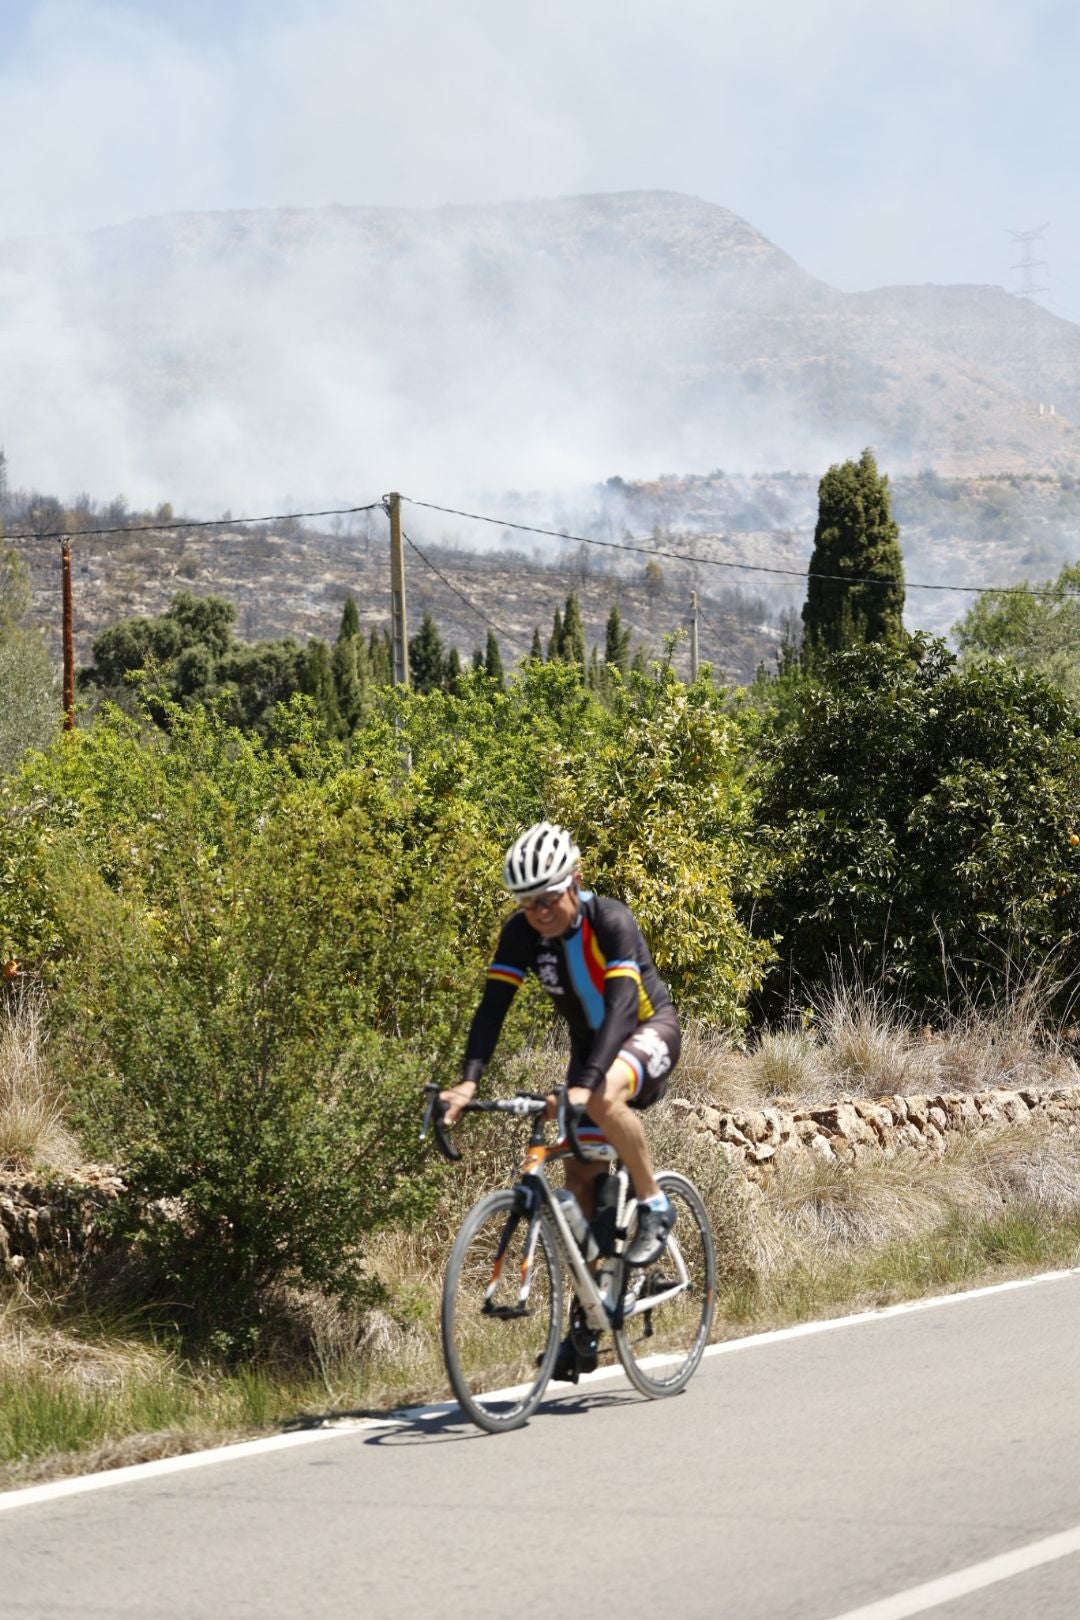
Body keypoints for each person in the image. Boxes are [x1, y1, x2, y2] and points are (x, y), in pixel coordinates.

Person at [441, 820, 682, 1379]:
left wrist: (585, 1084)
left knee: (598, 1099)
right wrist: (468, 1081)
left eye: (549, 898)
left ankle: (654, 1204)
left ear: (574, 881)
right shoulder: (523, 934)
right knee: (579, 1181)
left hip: (647, 1030)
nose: (540, 912)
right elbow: (491, 1009)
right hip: (589, 1052)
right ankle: (589, 1316)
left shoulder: (610, 921)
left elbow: (622, 1005)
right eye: (528, 904)